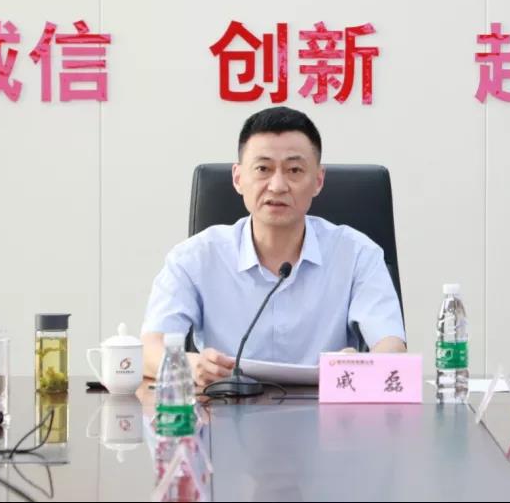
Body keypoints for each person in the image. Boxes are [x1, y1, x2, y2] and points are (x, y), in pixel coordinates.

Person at [142, 107, 406, 387]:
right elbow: (149, 348)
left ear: (318, 181)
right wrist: (190, 365)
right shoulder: (195, 257)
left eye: (294, 170)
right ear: (238, 178)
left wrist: (363, 367)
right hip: (223, 408)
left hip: (325, 408)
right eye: (263, 169)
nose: (278, 186)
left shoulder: (357, 254)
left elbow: (392, 347)